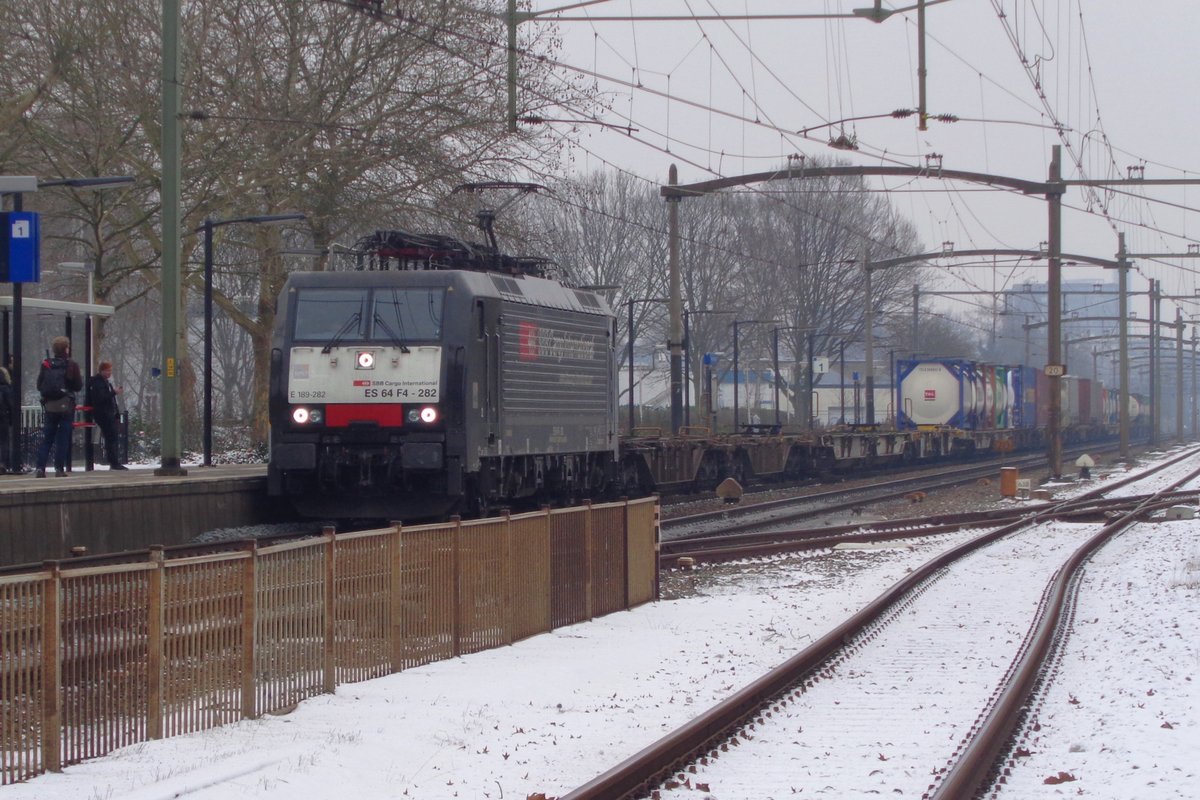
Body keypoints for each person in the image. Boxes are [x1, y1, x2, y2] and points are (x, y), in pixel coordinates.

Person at [34, 336, 84, 478]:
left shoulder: (46, 364)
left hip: (50, 405)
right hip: (66, 405)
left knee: (47, 437)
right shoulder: (71, 364)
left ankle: (40, 468)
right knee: (63, 438)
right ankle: (59, 468)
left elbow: (39, 385)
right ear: (66, 349)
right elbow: (78, 386)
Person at [87, 360, 127, 470]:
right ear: (102, 371)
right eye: (108, 370)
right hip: (103, 413)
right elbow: (101, 398)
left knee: (112, 437)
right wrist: (114, 392)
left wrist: (116, 413)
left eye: (110, 370)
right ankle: (113, 462)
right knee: (111, 437)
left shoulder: (105, 383)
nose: (110, 373)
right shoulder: (98, 383)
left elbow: (111, 400)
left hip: (109, 413)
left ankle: (114, 461)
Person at [0, 356, 13, 474]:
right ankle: (3, 463)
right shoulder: (5, 387)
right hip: (2, 416)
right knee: (4, 440)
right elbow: (10, 404)